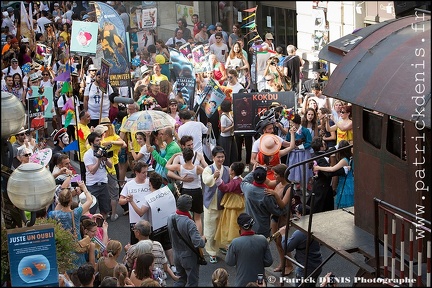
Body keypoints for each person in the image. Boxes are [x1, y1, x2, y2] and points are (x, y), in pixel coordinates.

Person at [48, 181, 95, 268]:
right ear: (71, 200)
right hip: (76, 248)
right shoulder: (76, 213)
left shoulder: (53, 214)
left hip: (63, 249)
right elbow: (90, 200)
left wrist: (60, 201)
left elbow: (57, 208)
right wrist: (84, 187)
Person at [167, 194, 206, 287]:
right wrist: (203, 239)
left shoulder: (170, 218)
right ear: (189, 207)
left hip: (176, 254)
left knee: (180, 280)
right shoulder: (189, 223)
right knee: (192, 282)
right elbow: (198, 243)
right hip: (189, 257)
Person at [241, 165, 291, 238]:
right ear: (265, 178)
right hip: (262, 227)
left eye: (276, 174)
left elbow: (244, 181)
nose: (274, 176)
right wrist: (288, 206)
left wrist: (254, 171)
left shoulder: (247, 188)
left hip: (249, 225)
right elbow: (277, 211)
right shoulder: (267, 195)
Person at [279, 205, 323, 287]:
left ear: (301, 215)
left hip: (306, 267)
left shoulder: (300, 233)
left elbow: (287, 247)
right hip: (317, 264)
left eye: (297, 214)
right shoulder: (315, 226)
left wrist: (283, 234)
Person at [225, 213, 273, 287]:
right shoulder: (262, 239)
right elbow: (269, 262)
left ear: (239, 226)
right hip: (259, 281)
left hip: (242, 282)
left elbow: (230, 262)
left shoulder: (235, 243)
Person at [165, 148, 204, 235]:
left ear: (183, 158)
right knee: (197, 218)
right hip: (197, 191)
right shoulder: (197, 168)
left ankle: (186, 235)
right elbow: (206, 173)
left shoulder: (179, 167)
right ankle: (198, 238)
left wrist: (174, 156)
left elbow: (167, 165)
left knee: (185, 216)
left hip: (185, 191)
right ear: (192, 156)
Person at [202, 146, 230, 264]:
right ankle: (211, 251)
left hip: (223, 203)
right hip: (210, 204)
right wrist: (214, 176)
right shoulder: (208, 169)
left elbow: (235, 179)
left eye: (222, 156)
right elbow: (206, 181)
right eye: (218, 157)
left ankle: (222, 246)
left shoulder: (227, 169)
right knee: (210, 229)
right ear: (213, 157)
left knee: (222, 228)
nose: (220, 159)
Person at [214, 161, 245, 252]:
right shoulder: (240, 179)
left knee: (231, 222)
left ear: (232, 171)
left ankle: (231, 244)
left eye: (230, 168)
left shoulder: (235, 182)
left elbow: (225, 188)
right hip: (238, 201)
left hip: (233, 202)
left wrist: (218, 179)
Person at [313, 140, 354, 209]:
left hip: (345, 183)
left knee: (345, 203)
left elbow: (332, 169)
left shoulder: (344, 160)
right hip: (348, 181)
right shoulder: (349, 158)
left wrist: (318, 167)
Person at [119, 162, 151, 245]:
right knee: (135, 245)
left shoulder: (149, 183)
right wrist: (127, 199)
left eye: (146, 172)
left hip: (148, 220)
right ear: (136, 172)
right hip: (134, 221)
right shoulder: (129, 185)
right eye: (143, 172)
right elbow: (120, 201)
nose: (145, 174)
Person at [84, 132, 113, 219]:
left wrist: (105, 158)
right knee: (91, 210)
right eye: (97, 140)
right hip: (92, 185)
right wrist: (99, 160)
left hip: (103, 183)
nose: (99, 142)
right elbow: (92, 171)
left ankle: (102, 226)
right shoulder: (87, 154)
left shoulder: (102, 150)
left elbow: (111, 165)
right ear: (91, 143)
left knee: (105, 209)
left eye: (100, 140)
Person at [219, 100, 237, 166]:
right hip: (225, 138)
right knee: (227, 156)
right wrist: (232, 126)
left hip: (231, 136)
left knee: (233, 154)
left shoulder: (229, 114)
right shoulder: (223, 117)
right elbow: (223, 130)